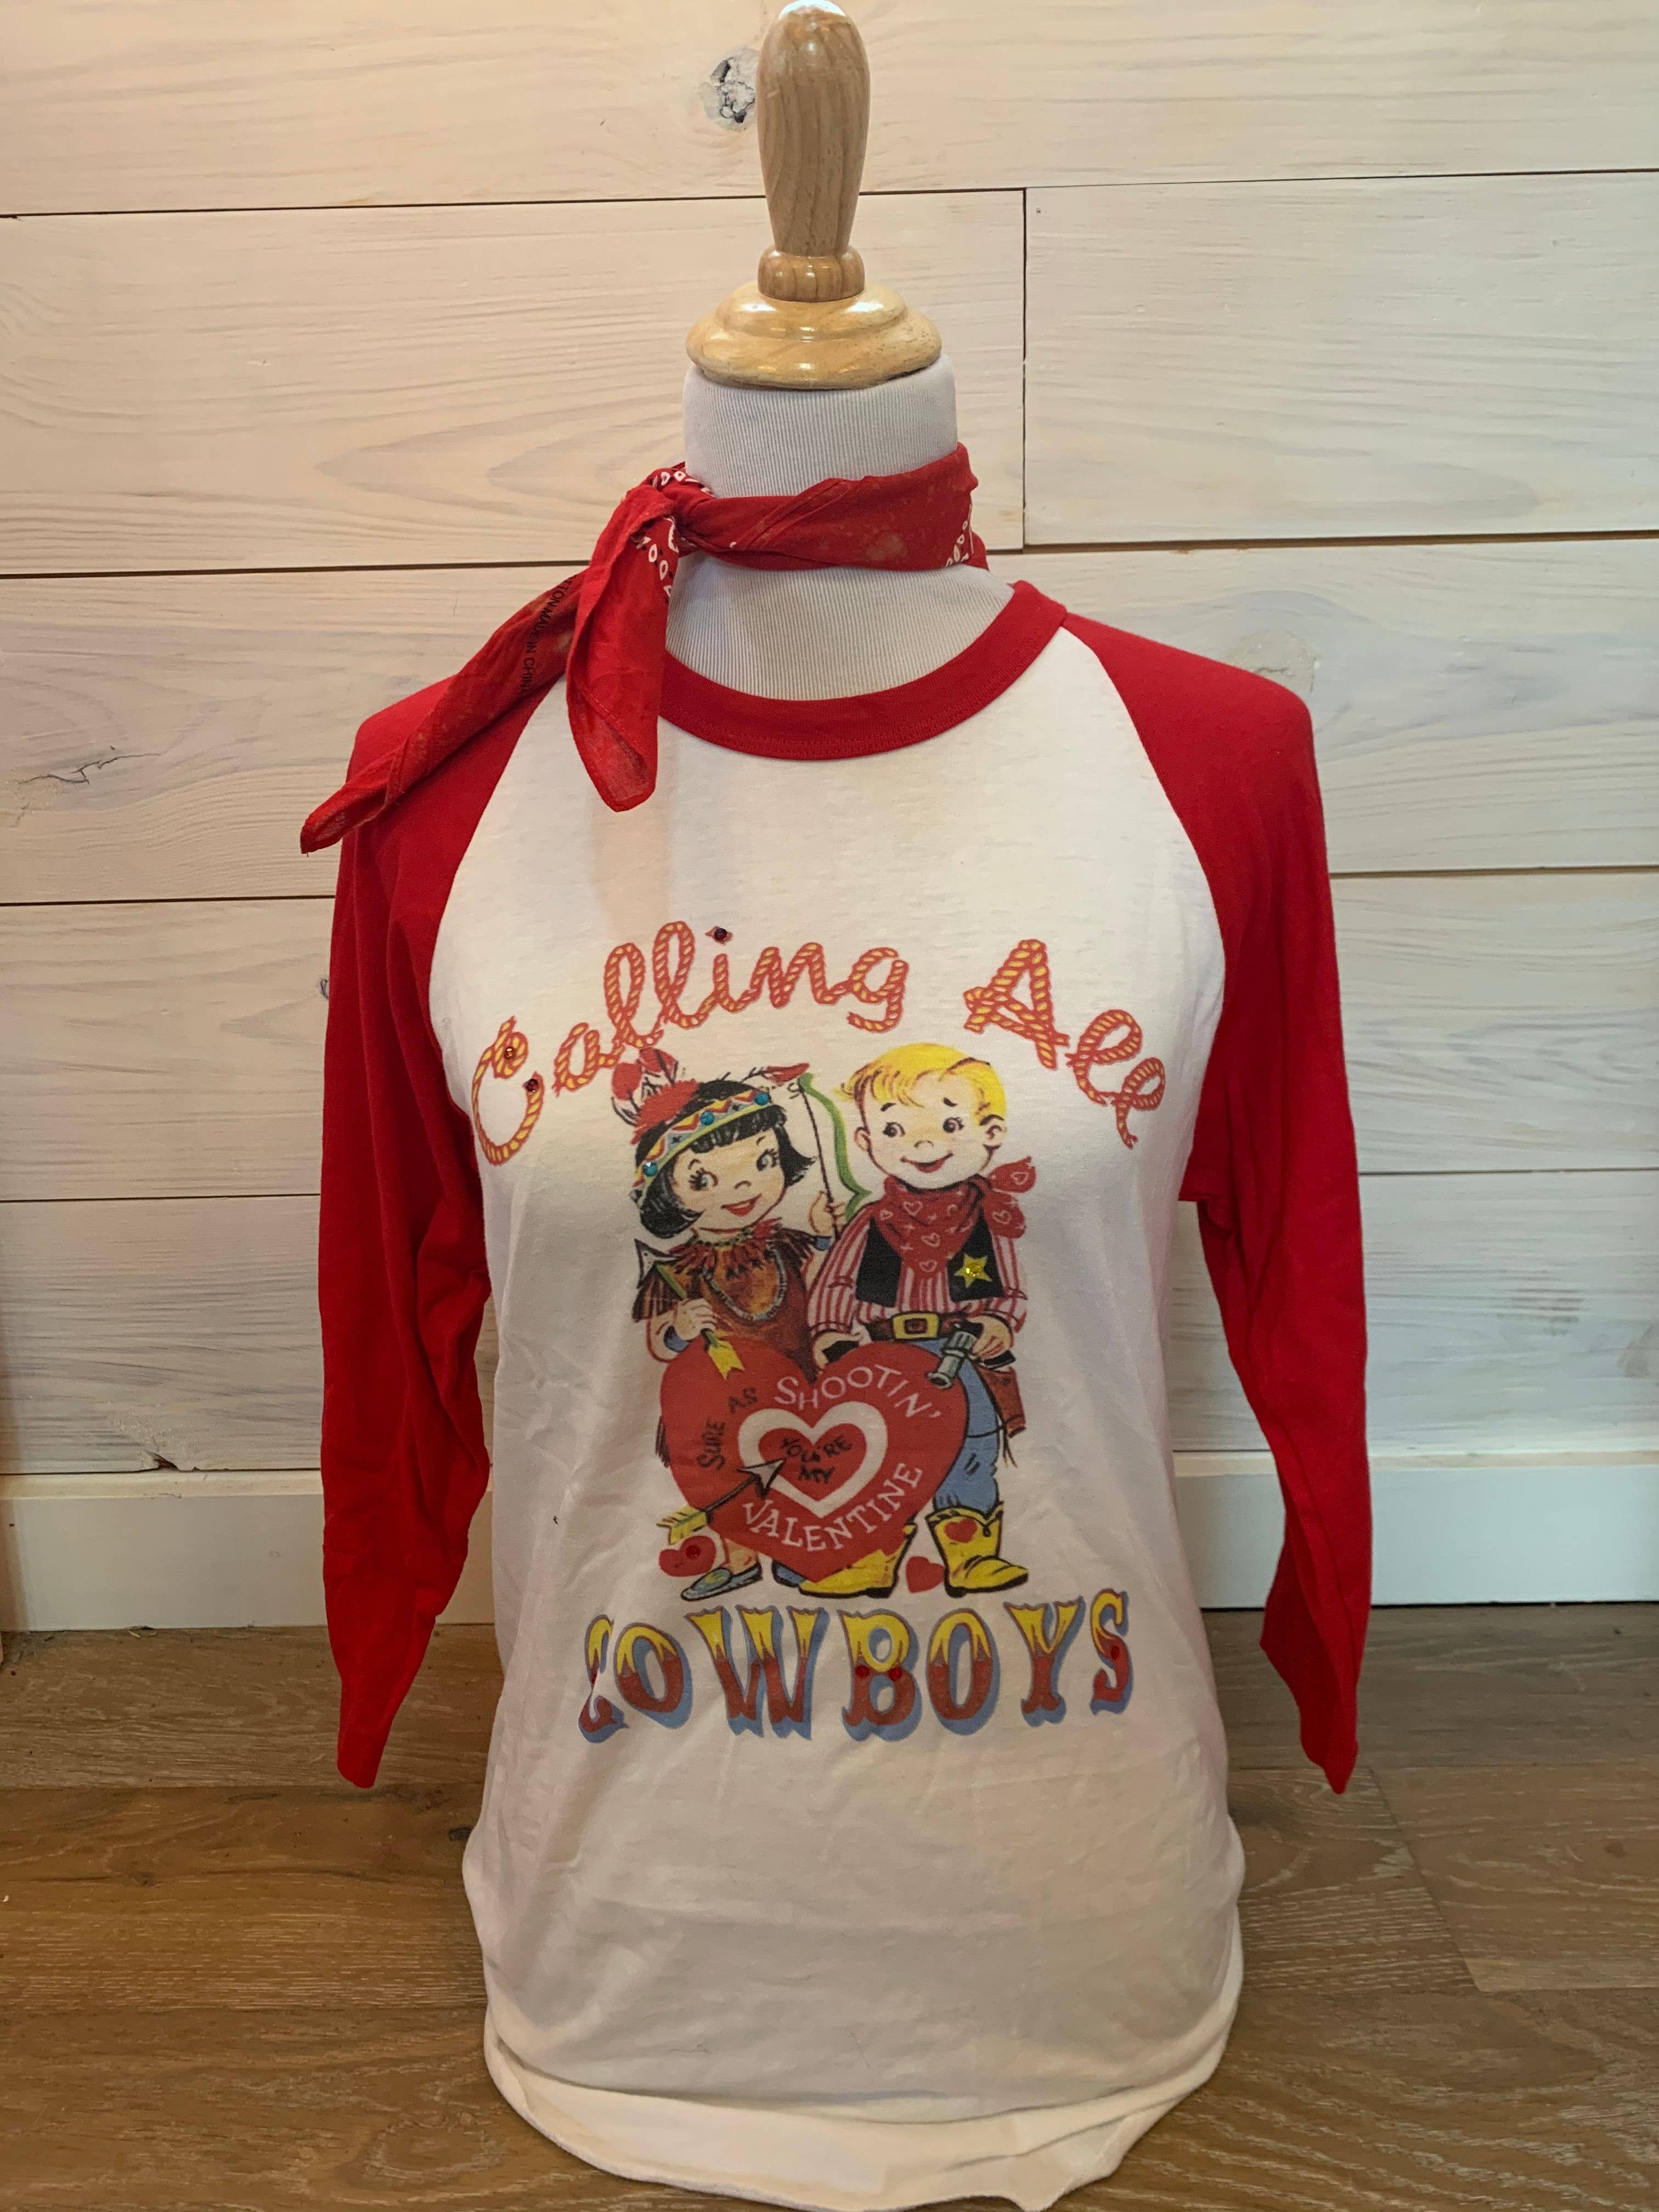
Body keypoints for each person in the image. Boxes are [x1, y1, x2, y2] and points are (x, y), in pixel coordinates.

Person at [806, 1041, 1034, 1597]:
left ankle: (971, 1557)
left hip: (963, 1354)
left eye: (950, 1125)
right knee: (878, 1454)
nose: (923, 1144)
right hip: (883, 1359)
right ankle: (871, 1559)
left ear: (992, 1133)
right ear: (866, 1141)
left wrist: (999, 1322)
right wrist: (831, 1333)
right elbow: (836, 1281)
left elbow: (1010, 1286)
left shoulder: (992, 1217)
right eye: (894, 1130)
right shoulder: (869, 1221)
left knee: (971, 1447)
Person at [617, 1048, 836, 1600]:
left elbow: (826, 1289)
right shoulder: (676, 1271)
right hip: (717, 1402)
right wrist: (680, 1328)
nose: (743, 1188)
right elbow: (657, 1339)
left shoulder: (788, 1243)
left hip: (793, 1383)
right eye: (703, 1179)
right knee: (727, 1483)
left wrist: (826, 1236)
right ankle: (739, 1562)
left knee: (798, 1472)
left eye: (764, 1162)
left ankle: (798, 1555)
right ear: (668, 1196)